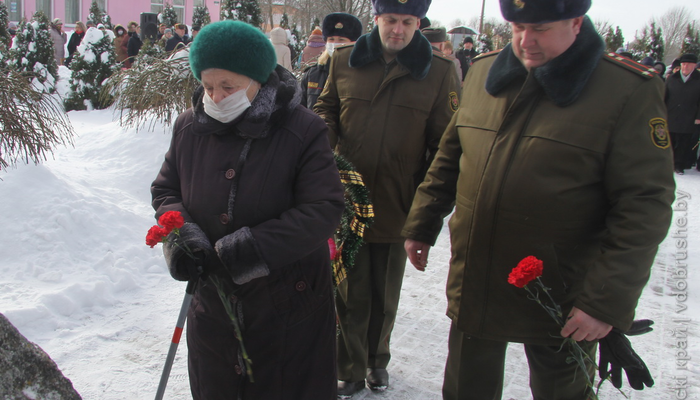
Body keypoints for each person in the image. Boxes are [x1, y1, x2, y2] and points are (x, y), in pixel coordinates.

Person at [402, 1, 675, 399]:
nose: (525, 41)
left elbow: (644, 205)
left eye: (541, 29)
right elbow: (450, 157)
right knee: (465, 386)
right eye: (517, 28)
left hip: (561, 289)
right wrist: (422, 224)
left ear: (576, 23)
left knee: (562, 390)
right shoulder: (483, 72)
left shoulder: (625, 90)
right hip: (478, 273)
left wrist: (604, 302)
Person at [151, 20, 344, 399]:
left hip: (287, 305)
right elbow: (166, 189)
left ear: (258, 80)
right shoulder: (189, 128)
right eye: (208, 86)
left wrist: (249, 250)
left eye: (229, 86)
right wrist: (182, 236)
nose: (217, 97)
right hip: (212, 306)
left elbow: (323, 208)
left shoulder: (303, 130)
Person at [313, 0, 460, 396]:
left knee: (385, 291)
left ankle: (378, 361)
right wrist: (322, 151)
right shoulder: (345, 60)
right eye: (391, 20)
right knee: (348, 288)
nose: (398, 29)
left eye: (407, 22)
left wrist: (426, 202)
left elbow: (446, 145)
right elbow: (326, 107)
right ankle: (351, 366)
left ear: (418, 23)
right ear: (377, 19)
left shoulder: (441, 73)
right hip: (347, 197)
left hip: (400, 199)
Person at [299, 13, 362, 109]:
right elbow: (300, 108)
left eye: (341, 40)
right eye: (331, 39)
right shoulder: (313, 74)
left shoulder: (362, 74)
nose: (335, 44)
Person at [665, 52, 700, 174]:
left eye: (689, 65)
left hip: (689, 116)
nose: (686, 67)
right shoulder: (672, 79)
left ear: (694, 66)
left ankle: (679, 165)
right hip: (671, 114)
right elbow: (665, 97)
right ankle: (668, 164)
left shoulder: (698, 79)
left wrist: (698, 117)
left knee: (684, 142)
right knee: (670, 140)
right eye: (684, 64)